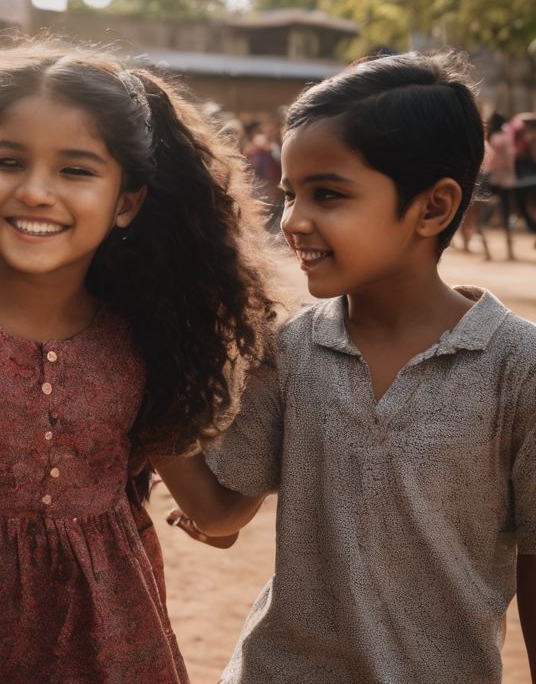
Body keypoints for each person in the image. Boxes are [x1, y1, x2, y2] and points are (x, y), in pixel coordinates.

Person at [0, 38, 277, 683]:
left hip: (115, 646)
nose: (37, 192)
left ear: (127, 201)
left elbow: (213, 509)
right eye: (10, 162)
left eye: (76, 170)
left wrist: (287, 378)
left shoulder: (141, 336)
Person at [154, 51, 536, 683]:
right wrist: (148, 373)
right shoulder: (290, 348)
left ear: (434, 208)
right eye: (290, 194)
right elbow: (222, 516)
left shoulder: (517, 368)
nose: (294, 220)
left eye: (327, 194)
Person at [485, 111, 518, 261]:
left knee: (485, 215)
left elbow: (492, 161)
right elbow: (510, 159)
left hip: (494, 179)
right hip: (506, 179)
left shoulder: (493, 138)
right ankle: (510, 251)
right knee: (507, 213)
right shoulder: (506, 137)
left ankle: (488, 251)